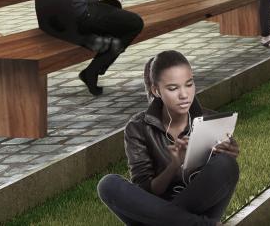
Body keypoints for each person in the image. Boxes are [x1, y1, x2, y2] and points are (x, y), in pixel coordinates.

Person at [96, 50, 241, 225]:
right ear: (156, 90)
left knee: (227, 165)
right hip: (156, 207)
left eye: (189, 84)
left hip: (186, 209)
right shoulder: (138, 128)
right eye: (173, 88)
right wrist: (173, 166)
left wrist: (228, 153)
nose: (184, 95)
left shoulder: (211, 120)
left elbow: (214, 182)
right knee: (108, 184)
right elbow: (144, 193)